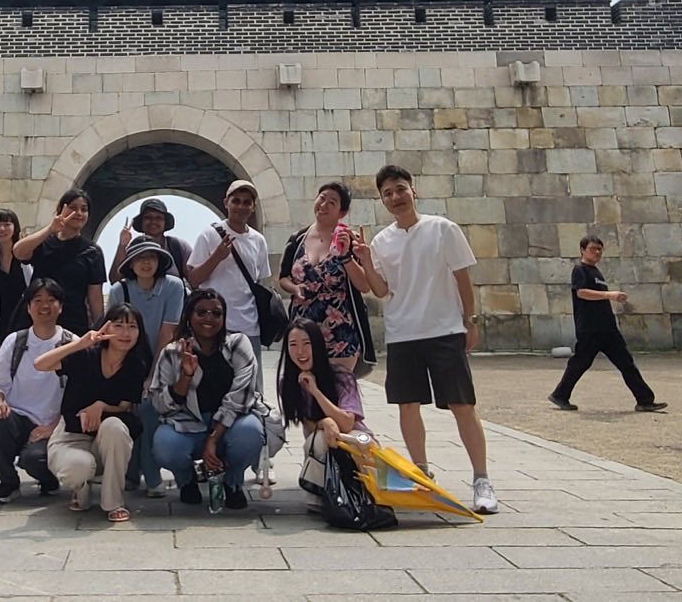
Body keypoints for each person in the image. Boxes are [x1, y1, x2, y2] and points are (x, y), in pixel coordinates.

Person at [358, 164, 498, 515]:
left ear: (413, 190)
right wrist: (364, 261)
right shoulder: (381, 241)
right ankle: (420, 474)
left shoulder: (442, 229)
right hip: (403, 333)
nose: (395, 197)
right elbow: (381, 290)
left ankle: (481, 479)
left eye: (400, 189)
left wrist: (470, 320)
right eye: (388, 193)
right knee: (407, 405)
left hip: (444, 329)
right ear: (382, 200)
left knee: (462, 405)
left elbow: (462, 278)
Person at [148, 288, 269, 510]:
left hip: (231, 424)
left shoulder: (238, 344)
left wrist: (213, 439)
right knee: (165, 444)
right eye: (201, 312)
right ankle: (186, 480)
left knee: (250, 433)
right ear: (189, 316)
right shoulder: (172, 352)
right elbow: (160, 404)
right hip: (188, 425)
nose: (209, 318)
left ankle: (233, 482)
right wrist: (185, 376)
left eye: (216, 313)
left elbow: (241, 396)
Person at [35, 303, 151, 523]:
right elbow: (40, 364)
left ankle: (113, 502)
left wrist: (100, 406)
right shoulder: (86, 355)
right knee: (81, 467)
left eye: (132, 327)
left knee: (115, 426)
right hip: (71, 436)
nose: (126, 333)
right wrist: (80, 343)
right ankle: (80, 488)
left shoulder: (136, 364)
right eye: (118, 325)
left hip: (102, 438)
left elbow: (124, 406)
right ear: (106, 328)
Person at [0, 278, 75, 504]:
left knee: (34, 459)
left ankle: (48, 479)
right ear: (28, 307)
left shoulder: (72, 343)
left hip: (54, 423)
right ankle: (8, 482)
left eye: (51, 300)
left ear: (61, 307)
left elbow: (80, 397)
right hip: (18, 418)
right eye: (38, 300)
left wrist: (53, 427)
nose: (45, 306)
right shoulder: (15, 341)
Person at [548, 236, 668, 413]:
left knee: (626, 363)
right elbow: (581, 293)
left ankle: (645, 400)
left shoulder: (596, 272)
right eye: (593, 249)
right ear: (582, 250)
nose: (597, 252)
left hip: (607, 329)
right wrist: (608, 295)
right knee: (580, 363)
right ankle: (560, 394)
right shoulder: (580, 270)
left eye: (599, 249)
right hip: (590, 328)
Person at [107, 235, 185, 497]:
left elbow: (167, 332)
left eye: (151, 257)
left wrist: (152, 375)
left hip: (164, 361)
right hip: (127, 361)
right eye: (139, 258)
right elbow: (115, 333)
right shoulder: (119, 291)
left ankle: (151, 475)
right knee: (128, 410)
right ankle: (131, 472)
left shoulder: (174, 286)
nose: (146, 263)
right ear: (130, 263)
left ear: (160, 261)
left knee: (149, 407)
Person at [278, 181, 378, 374]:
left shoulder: (350, 240)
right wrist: (295, 288)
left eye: (332, 202)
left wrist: (346, 256)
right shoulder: (297, 239)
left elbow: (364, 286)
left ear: (342, 212)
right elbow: (283, 277)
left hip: (339, 328)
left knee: (339, 386)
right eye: (321, 198)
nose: (323, 205)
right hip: (303, 328)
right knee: (305, 385)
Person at [277, 317, 366, 497]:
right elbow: (307, 424)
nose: (300, 351)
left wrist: (315, 391)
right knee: (318, 440)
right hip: (319, 445)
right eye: (293, 345)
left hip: (353, 440)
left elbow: (347, 424)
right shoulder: (288, 383)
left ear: (318, 344)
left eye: (307, 343)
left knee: (355, 442)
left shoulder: (341, 376)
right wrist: (324, 423)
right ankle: (322, 493)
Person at [187, 179, 272, 369]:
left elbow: (260, 280)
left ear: (253, 207)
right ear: (226, 203)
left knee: (250, 382)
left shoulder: (258, 240)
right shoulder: (208, 235)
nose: (241, 206)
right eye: (236, 201)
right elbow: (193, 279)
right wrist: (217, 257)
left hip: (249, 326)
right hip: (214, 326)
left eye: (247, 202)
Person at [14, 188, 106, 336]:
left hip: (73, 323)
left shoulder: (93, 252)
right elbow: (19, 252)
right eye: (73, 208)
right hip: (38, 320)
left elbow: (95, 296)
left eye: (84, 209)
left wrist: (98, 330)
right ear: (60, 209)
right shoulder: (44, 243)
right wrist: (51, 229)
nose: (79, 213)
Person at [0, 208, 31, 356]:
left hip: (27, 316)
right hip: (4, 319)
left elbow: (32, 284)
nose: (1, 229)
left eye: (7, 224)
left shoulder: (27, 253)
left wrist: (23, 256)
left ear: (15, 228)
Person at [108, 198, 193, 282]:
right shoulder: (133, 250)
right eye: (148, 217)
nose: (153, 221)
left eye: (158, 218)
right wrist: (122, 245)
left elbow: (194, 281)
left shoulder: (179, 247)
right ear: (141, 222)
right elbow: (115, 280)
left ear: (165, 222)